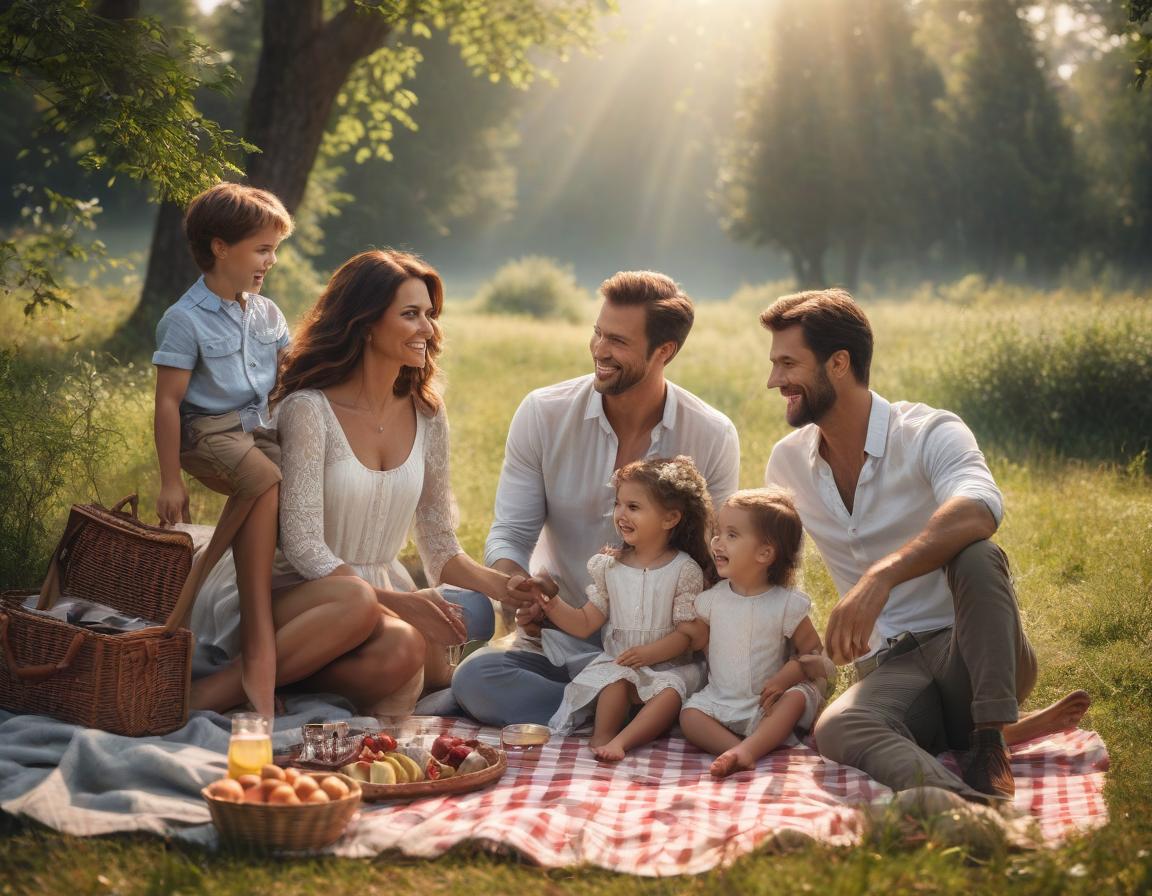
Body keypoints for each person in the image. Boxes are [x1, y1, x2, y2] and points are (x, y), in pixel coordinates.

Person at [760, 288, 1091, 804]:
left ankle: (990, 740)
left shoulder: (930, 431)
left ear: (839, 363)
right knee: (836, 730)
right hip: (890, 669)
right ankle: (966, 806)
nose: (774, 380)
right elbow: (765, 560)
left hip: (973, 652)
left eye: (787, 363)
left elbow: (981, 507)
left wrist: (881, 576)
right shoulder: (787, 464)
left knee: (978, 554)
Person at [189, 249, 509, 715]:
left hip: (374, 591)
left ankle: (290, 680)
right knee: (370, 612)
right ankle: (216, 691)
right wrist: (400, 602)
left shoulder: (427, 414)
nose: (428, 329)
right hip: (296, 594)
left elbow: (439, 542)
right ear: (365, 324)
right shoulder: (308, 409)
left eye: (430, 315)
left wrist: (507, 589)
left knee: (410, 652)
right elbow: (303, 546)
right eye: (411, 315)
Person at [450, 271, 741, 727]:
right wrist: (518, 593)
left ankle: (613, 708)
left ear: (664, 351)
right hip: (566, 636)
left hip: (659, 652)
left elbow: (719, 559)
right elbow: (511, 533)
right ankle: (626, 713)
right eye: (598, 333)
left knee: (710, 686)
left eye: (619, 341)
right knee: (476, 677)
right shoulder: (543, 413)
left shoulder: (711, 433)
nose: (600, 350)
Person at [153, 182, 294, 718]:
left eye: (273, 249)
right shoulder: (184, 318)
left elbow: (289, 377)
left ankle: (251, 621)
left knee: (289, 478)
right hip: (206, 432)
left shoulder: (268, 314)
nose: (270, 261)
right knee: (265, 479)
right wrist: (172, 481)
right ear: (219, 247)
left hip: (255, 429)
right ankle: (228, 607)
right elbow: (168, 404)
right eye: (262, 248)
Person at [535, 456, 713, 761]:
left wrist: (648, 655)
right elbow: (585, 622)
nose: (621, 514)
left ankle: (624, 741)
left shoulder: (684, 570)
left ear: (670, 518)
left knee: (669, 693)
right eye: (618, 504)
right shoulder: (610, 568)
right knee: (613, 684)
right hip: (623, 665)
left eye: (633, 507)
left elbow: (686, 636)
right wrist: (549, 603)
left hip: (667, 666)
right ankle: (603, 739)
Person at [679, 489, 835, 778]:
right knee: (689, 716)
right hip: (722, 699)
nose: (717, 542)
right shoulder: (712, 600)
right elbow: (695, 639)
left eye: (732, 535)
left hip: (768, 704)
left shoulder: (785, 603)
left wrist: (787, 677)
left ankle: (747, 750)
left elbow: (813, 654)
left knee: (796, 699)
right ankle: (739, 749)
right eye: (718, 532)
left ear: (765, 553)